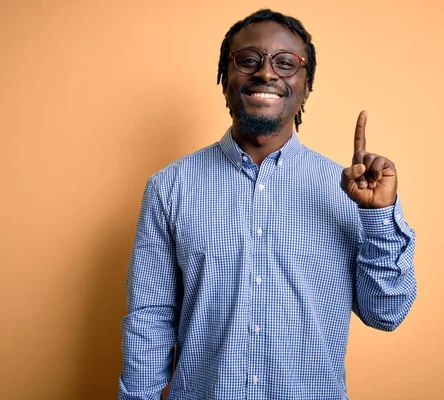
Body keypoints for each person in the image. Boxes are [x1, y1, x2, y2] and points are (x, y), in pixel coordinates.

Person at [118, 9, 417, 400]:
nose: (266, 73)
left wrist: (378, 216)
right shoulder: (169, 187)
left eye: (285, 63)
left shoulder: (350, 191)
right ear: (225, 78)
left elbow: (386, 314)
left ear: (306, 86)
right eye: (248, 60)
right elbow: (149, 320)